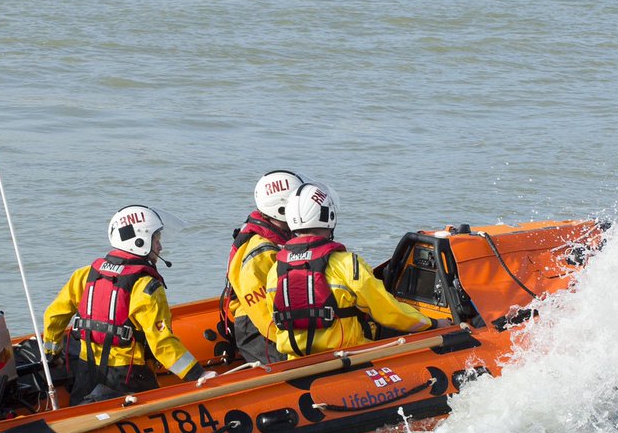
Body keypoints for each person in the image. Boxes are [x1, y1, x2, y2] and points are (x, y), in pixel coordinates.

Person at [43, 205, 210, 404]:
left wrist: (52, 354)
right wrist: (198, 374)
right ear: (140, 241)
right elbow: (162, 343)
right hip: (129, 377)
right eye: (156, 239)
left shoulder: (85, 275)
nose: (160, 247)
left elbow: (54, 316)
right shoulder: (146, 286)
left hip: (86, 372)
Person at [267, 182, 449, 358]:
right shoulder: (347, 263)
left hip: (295, 361)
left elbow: (275, 318)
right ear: (328, 216)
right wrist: (433, 324)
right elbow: (388, 311)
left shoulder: (276, 269)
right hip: (348, 357)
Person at [221, 170, 301, 364]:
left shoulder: (277, 238)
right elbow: (262, 313)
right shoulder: (261, 251)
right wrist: (295, 346)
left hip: (271, 320)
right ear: (282, 208)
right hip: (256, 328)